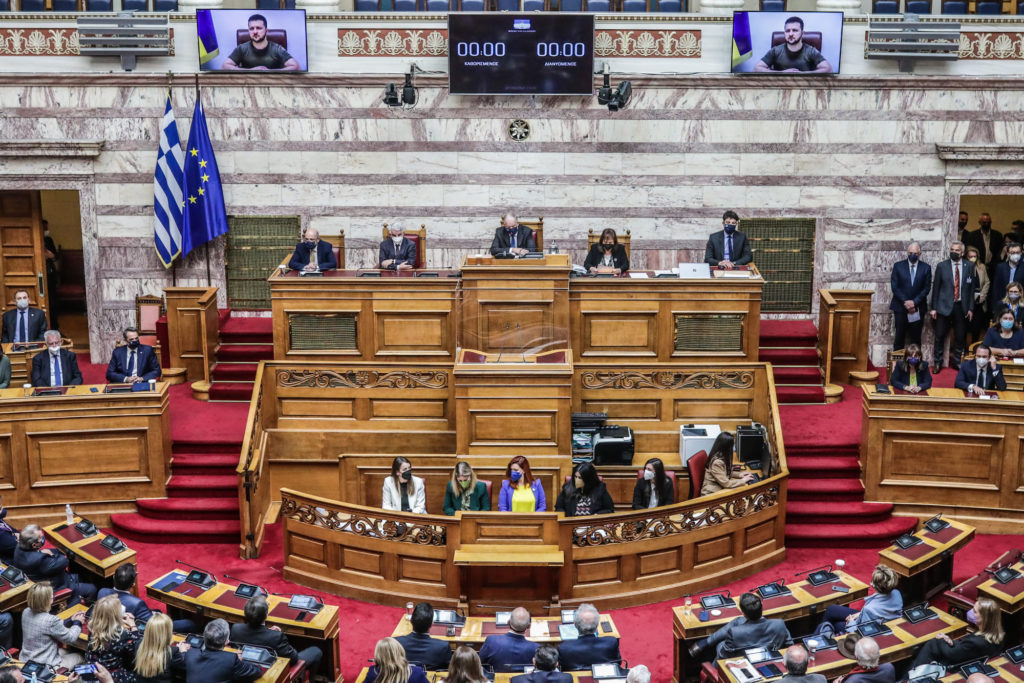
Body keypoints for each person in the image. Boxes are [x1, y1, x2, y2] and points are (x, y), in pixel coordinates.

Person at [230, 594, 324, 676]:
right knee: (316, 651)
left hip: (245, 666)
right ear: (266, 615)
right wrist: (277, 634)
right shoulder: (276, 637)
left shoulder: (236, 628)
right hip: (272, 672)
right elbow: (294, 658)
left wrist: (269, 631)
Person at [688, 592, 792, 660]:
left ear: (743, 613)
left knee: (721, 643)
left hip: (744, 665)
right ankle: (706, 642)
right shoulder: (779, 624)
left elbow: (723, 657)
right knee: (738, 621)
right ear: (762, 607)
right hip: (770, 658)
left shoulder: (735, 633)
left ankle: (705, 644)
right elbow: (790, 645)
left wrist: (721, 644)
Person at [14, 523, 97, 604]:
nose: (43, 538)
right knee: (92, 589)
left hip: (42, 578)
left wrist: (41, 552)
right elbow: (64, 561)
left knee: (80, 575)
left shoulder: (19, 548)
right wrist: (52, 554)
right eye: (41, 537)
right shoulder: (40, 560)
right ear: (34, 545)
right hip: (57, 587)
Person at [909, 598, 1003, 670]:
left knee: (931, 644)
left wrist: (941, 640)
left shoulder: (976, 642)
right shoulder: (998, 634)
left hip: (955, 667)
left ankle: (909, 678)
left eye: (974, 611)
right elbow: (966, 649)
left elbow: (953, 654)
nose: (970, 611)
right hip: (967, 659)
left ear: (984, 618)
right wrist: (951, 642)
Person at [930, 240, 976, 372]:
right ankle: (937, 362)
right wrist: (933, 308)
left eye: (957, 250)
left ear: (962, 252)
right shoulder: (942, 266)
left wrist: (971, 308)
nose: (954, 252)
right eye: (952, 249)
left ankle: (957, 362)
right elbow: (936, 288)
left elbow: (971, 289)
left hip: (961, 307)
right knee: (939, 336)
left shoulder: (969, 266)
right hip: (943, 307)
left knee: (960, 336)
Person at [819, 565, 901, 635]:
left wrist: (851, 622)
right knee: (831, 609)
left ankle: (823, 638)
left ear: (873, 585)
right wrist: (860, 613)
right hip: (874, 618)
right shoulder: (897, 593)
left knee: (835, 624)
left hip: (866, 629)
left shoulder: (869, 609)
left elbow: (862, 633)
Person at [21, 581, 86, 668]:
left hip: (27, 659)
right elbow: (70, 638)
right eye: (52, 597)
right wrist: (77, 622)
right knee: (81, 655)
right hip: (46, 666)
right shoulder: (51, 620)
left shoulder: (26, 611)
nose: (53, 599)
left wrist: (71, 620)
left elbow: (46, 628)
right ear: (46, 601)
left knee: (67, 650)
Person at [85, 594, 143, 683]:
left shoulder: (93, 627)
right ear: (116, 616)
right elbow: (138, 646)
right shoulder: (121, 635)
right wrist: (133, 625)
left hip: (92, 671)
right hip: (110, 676)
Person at [183, 619, 262, 683]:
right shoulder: (231, 659)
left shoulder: (190, 653)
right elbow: (257, 672)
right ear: (227, 642)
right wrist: (239, 661)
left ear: (204, 638)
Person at [890, 242, 931, 351]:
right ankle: (897, 366)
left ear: (920, 254)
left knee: (916, 340)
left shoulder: (926, 268)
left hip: (917, 309)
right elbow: (895, 287)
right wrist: (906, 302)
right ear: (907, 253)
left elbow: (926, 288)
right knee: (899, 338)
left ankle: (916, 365)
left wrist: (914, 302)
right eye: (910, 253)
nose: (913, 255)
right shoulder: (898, 266)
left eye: (915, 253)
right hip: (900, 308)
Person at [222, 14, 300, 71]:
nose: (255, 31)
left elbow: (296, 67)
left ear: (266, 31)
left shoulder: (277, 49)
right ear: (249, 31)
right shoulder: (241, 48)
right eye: (252, 28)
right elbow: (225, 66)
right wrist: (250, 71)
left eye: (259, 28)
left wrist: (269, 72)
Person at [753, 16, 832, 73]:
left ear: (802, 33)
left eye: (795, 30)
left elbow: (828, 69)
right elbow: (756, 68)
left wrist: (802, 74)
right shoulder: (775, 51)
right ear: (784, 33)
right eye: (787, 31)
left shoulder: (811, 51)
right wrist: (782, 73)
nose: (790, 34)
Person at [557, 604, 621, 671]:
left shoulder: (564, 648)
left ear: (575, 625)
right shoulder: (611, 642)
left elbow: (562, 669)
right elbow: (618, 663)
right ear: (597, 625)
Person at [395, 602, 453, 671]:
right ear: (432, 624)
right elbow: (448, 669)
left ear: (411, 621)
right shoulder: (443, 647)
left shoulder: (396, 643)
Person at [478, 607, 538, 673]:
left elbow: (479, 662)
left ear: (508, 622)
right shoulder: (536, 648)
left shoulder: (491, 641)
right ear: (529, 626)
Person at [134, 613, 190, 683]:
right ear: (167, 632)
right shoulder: (172, 652)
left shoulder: (139, 644)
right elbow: (186, 666)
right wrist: (183, 651)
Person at [701, 432, 755, 496]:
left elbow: (722, 472)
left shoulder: (718, 455)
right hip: (711, 494)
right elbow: (726, 484)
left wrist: (739, 475)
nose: (734, 448)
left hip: (719, 489)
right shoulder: (717, 462)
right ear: (726, 447)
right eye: (732, 445)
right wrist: (743, 480)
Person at [988, 241, 1023, 318]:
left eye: (1017, 252)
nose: (1015, 255)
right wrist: (994, 306)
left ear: (1021, 253)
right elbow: (996, 287)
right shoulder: (1000, 267)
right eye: (1012, 252)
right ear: (1008, 254)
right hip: (1003, 302)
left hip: (1020, 304)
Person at [963, 212, 1003, 278]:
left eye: (988, 222)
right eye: (984, 222)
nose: (986, 224)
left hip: (993, 268)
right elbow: (969, 250)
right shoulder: (972, 235)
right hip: (977, 266)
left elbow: (999, 252)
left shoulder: (997, 235)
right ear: (980, 222)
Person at [965, 246, 991, 345]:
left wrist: (983, 295)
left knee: (977, 325)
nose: (973, 258)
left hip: (979, 301)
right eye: (970, 256)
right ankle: (964, 346)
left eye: (975, 256)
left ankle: (974, 345)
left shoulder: (982, 267)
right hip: (967, 301)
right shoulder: (964, 266)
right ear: (966, 256)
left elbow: (987, 282)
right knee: (966, 325)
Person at [0, 496, 17, 564]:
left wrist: (16, 532)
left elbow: (8, 526)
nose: (3, 509)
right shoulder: (2, 536)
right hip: (9, 561)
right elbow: (16, 546)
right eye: (0, 507)